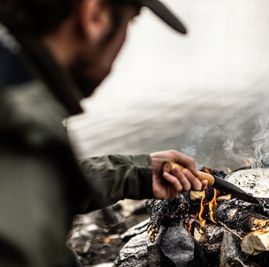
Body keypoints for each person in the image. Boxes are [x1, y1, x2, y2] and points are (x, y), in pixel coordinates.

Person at [0, 0, 207, 266]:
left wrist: (135, 174)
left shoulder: (18, 111)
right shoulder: (18, 138)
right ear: (94, 15)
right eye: (129, 21)